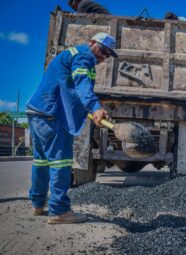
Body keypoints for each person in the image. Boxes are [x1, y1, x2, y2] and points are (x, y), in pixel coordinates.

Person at [26, 32, 118, 224]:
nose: (103, 57)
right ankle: (59, 211)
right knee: (61, 162)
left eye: (108, 55)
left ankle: (38, 203)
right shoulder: (84, 56)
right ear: (91, 43)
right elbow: (83, 85)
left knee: (41, 161)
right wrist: (96, 107)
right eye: (102, 50)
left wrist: (89, 111)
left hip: (38, 111)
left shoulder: (72, 54)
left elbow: (73, 89)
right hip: (53, 115)